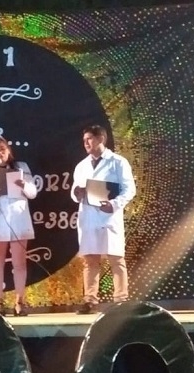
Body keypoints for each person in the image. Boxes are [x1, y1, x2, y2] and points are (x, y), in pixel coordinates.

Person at [71, 125, 136, 314]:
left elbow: (129, 189)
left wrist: (114, 204)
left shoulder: (118, 162)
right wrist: (76, 193)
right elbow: (74, 190)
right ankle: (90, 300)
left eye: (89, 139)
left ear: (101, 139)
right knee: (90, 260)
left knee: (116, 259)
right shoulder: (81, 166)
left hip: (108, 216)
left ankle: (121, 300)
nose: (86, 143)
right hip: (89, 216)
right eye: (84, 140)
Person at [0, 136, 37, 316]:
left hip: (19, 219)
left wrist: (24, 184)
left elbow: (33, 193)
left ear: (8, 150)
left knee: (20, 262)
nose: (0, 153)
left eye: (2, 149)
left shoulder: (21, 167)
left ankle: (20, 302)